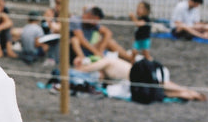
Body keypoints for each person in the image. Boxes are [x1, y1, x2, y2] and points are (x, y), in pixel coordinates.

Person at [72, 48, 206, 102]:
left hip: (136, 75)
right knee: (160, 87)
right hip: (135, 74)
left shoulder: (106, 62)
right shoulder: (111, 61)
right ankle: (187, 93)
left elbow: (85, 70)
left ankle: (187, 92)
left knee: (161, 86)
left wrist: (79, 65)